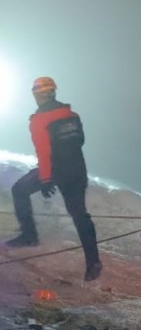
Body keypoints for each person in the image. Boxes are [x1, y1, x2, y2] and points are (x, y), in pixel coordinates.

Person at [6, 77, 101, 281]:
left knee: (19, 189)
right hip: (77, 169)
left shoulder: (39, 120)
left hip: (55, 168)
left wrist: (46, 177)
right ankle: (93, 263)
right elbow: (80, 141)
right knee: (79, 214)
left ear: (38, 95)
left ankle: (29, 236)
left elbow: (44, 150)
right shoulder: (72, 115)